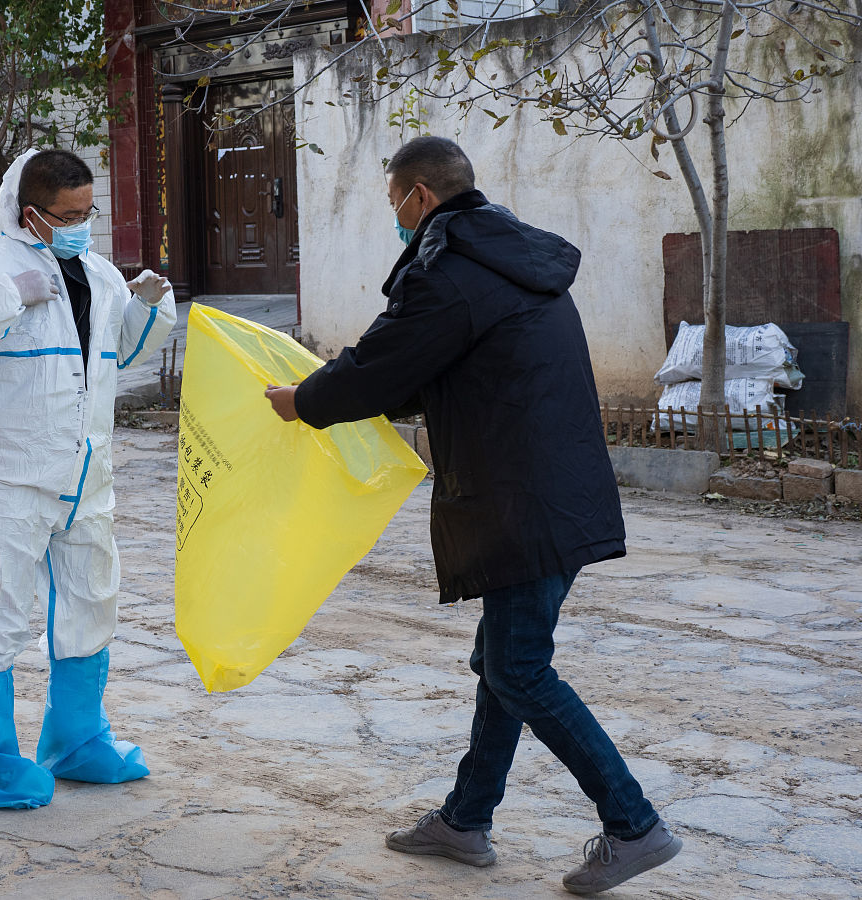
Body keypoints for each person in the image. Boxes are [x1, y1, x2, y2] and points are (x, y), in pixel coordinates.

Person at [263, 136, 681, 895]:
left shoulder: (451, 274)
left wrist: (308, 401)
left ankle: (633, 824)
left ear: (420, 196)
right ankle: (464, 822)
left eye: (394, 200)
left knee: (518, 668)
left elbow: (386, 362)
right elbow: (435, 374)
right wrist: (341, 391)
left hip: (520, 500)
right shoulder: (507, 257)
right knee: (503, 666)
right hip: (549, 489)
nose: (393, 213)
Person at [0, 148, 176, 809]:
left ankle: (77, 740)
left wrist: (148, 305)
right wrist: (7, 297)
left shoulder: (98, 272)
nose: (81, 225)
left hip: (87, 475)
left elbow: (119, 357)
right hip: (8, 476)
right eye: (67, 215)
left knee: (91, 605)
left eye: (90, 211)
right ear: (30, 213)